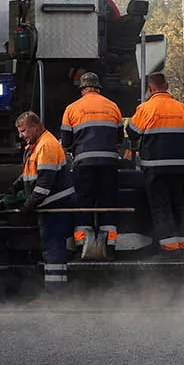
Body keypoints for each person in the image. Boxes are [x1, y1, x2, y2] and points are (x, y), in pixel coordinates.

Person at [128, 72, 184, 253]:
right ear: (167, 86)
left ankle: (169, 247)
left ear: (150, 88)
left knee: (161, 208)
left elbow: (132, 132)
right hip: (178, 169)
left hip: (154, 170)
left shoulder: (145, 109)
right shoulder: (182, 109)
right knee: (177, 205)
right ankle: (182, 245)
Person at [12, 111, 75, 291]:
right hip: (50, 205)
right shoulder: (37, 145)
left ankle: (55, 292)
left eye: (23, 131)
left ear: (35, 127)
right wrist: (16, 186)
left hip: (55, 205)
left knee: (53, 248)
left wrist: (27, 205)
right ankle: (56, 289)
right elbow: (32, 172)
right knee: (52, 247)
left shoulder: (46, 146)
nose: (21, 135)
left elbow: (44, 185)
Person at [59, 71, 124, 244]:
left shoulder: (72, 108)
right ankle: (109, 245)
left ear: (82, 89)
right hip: (109, 163)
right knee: (108, 202)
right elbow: (119, 139)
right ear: (98, 88)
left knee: (83, 202)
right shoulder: (113, 106)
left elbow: (66, 142)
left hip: (84, 164)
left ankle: (83, 244)